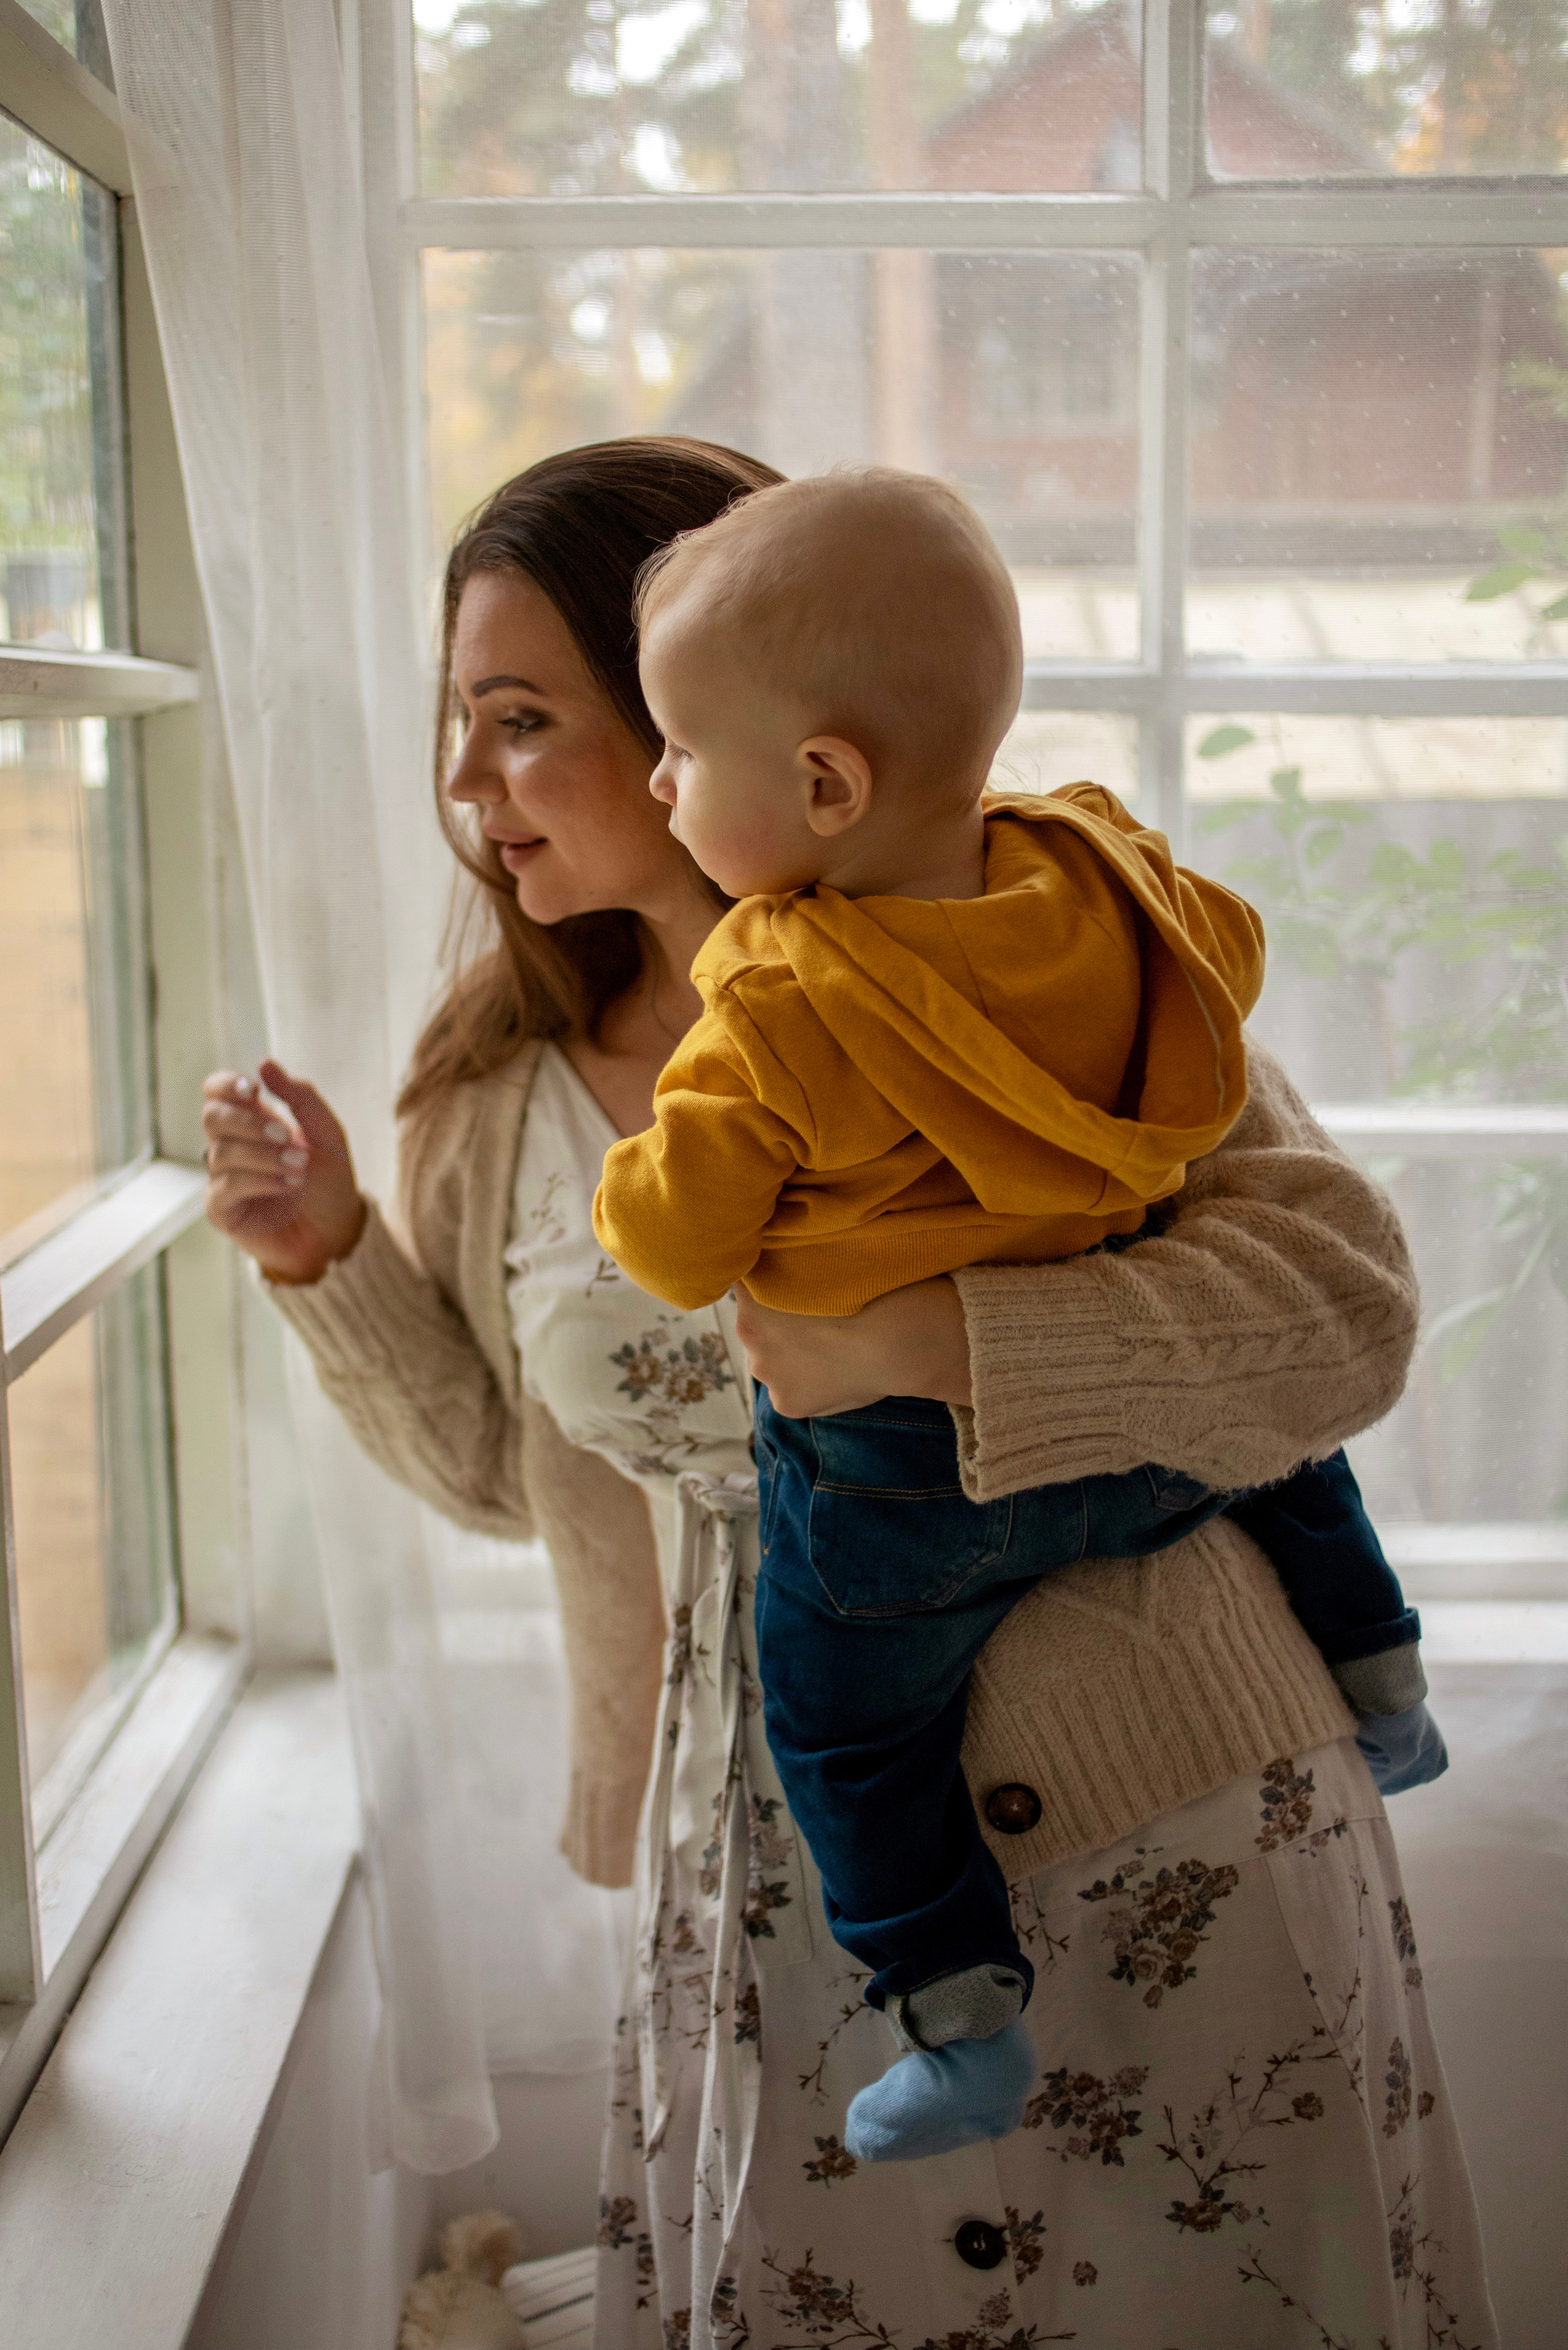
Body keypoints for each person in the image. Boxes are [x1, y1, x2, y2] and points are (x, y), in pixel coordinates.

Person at [200, 437, 1495, 2349]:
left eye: (521, 718)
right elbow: (519, 1473)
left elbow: (1344, 1311)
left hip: (1163, 1829)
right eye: (457, 724)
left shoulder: (1030, 940)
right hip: (766, 1877)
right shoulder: (493, 1102)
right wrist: (328, 1262)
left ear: (722, 716)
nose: (468, 785)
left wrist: (937, 1349)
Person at [592, 469, 1446, 2161]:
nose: (654, 779)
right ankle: (1389, 1679)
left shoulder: (773, 998)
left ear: (823, 783)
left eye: (674, 747)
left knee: (840, 1711)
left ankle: (961, 2013)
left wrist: (661, 1187)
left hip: (916, 1497)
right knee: (1282, 1470)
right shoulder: (1116, 885)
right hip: (1152, 1472)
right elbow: (1234, 969)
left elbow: (678, 1253)